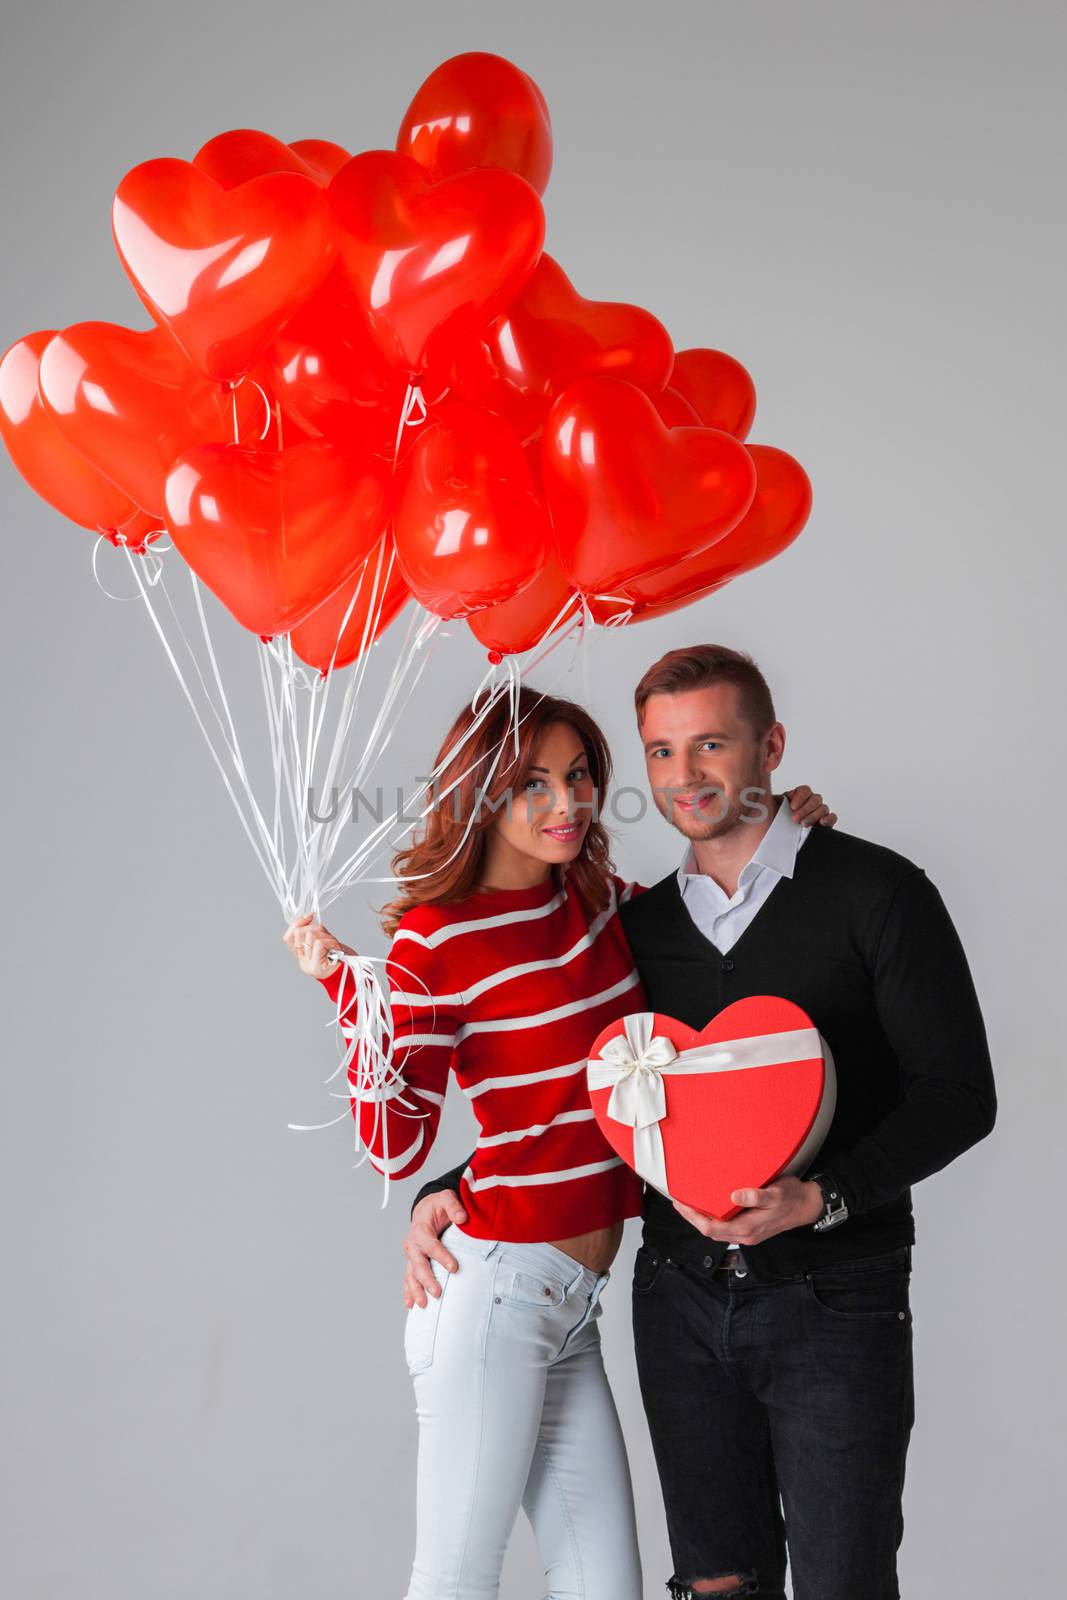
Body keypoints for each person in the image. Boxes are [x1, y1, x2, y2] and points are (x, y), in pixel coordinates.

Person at [406, 644, 997, 1600]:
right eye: (661, 752)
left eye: (712, 744)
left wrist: (820, 1196)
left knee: (845, 1581)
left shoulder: (875, 895)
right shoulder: (633, 930)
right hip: (677, 1304)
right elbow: (577, 1096)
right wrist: (446, 1188)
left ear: (770, 746)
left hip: (836, 1304)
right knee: (714, 1586)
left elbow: (961, 1094)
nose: (685, 777)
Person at [284, 680, 834, 1600]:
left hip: (574, 1306)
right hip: (494, 1294)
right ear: (480, 795)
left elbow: (723, 924)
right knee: (457, 1576)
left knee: (602, 1586)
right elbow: (393, 1146)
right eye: (531, 783)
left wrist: (784, 829)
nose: (567, 803)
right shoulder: (434, 941)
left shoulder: (602, 903)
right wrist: (353, 999)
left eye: (579, 776)